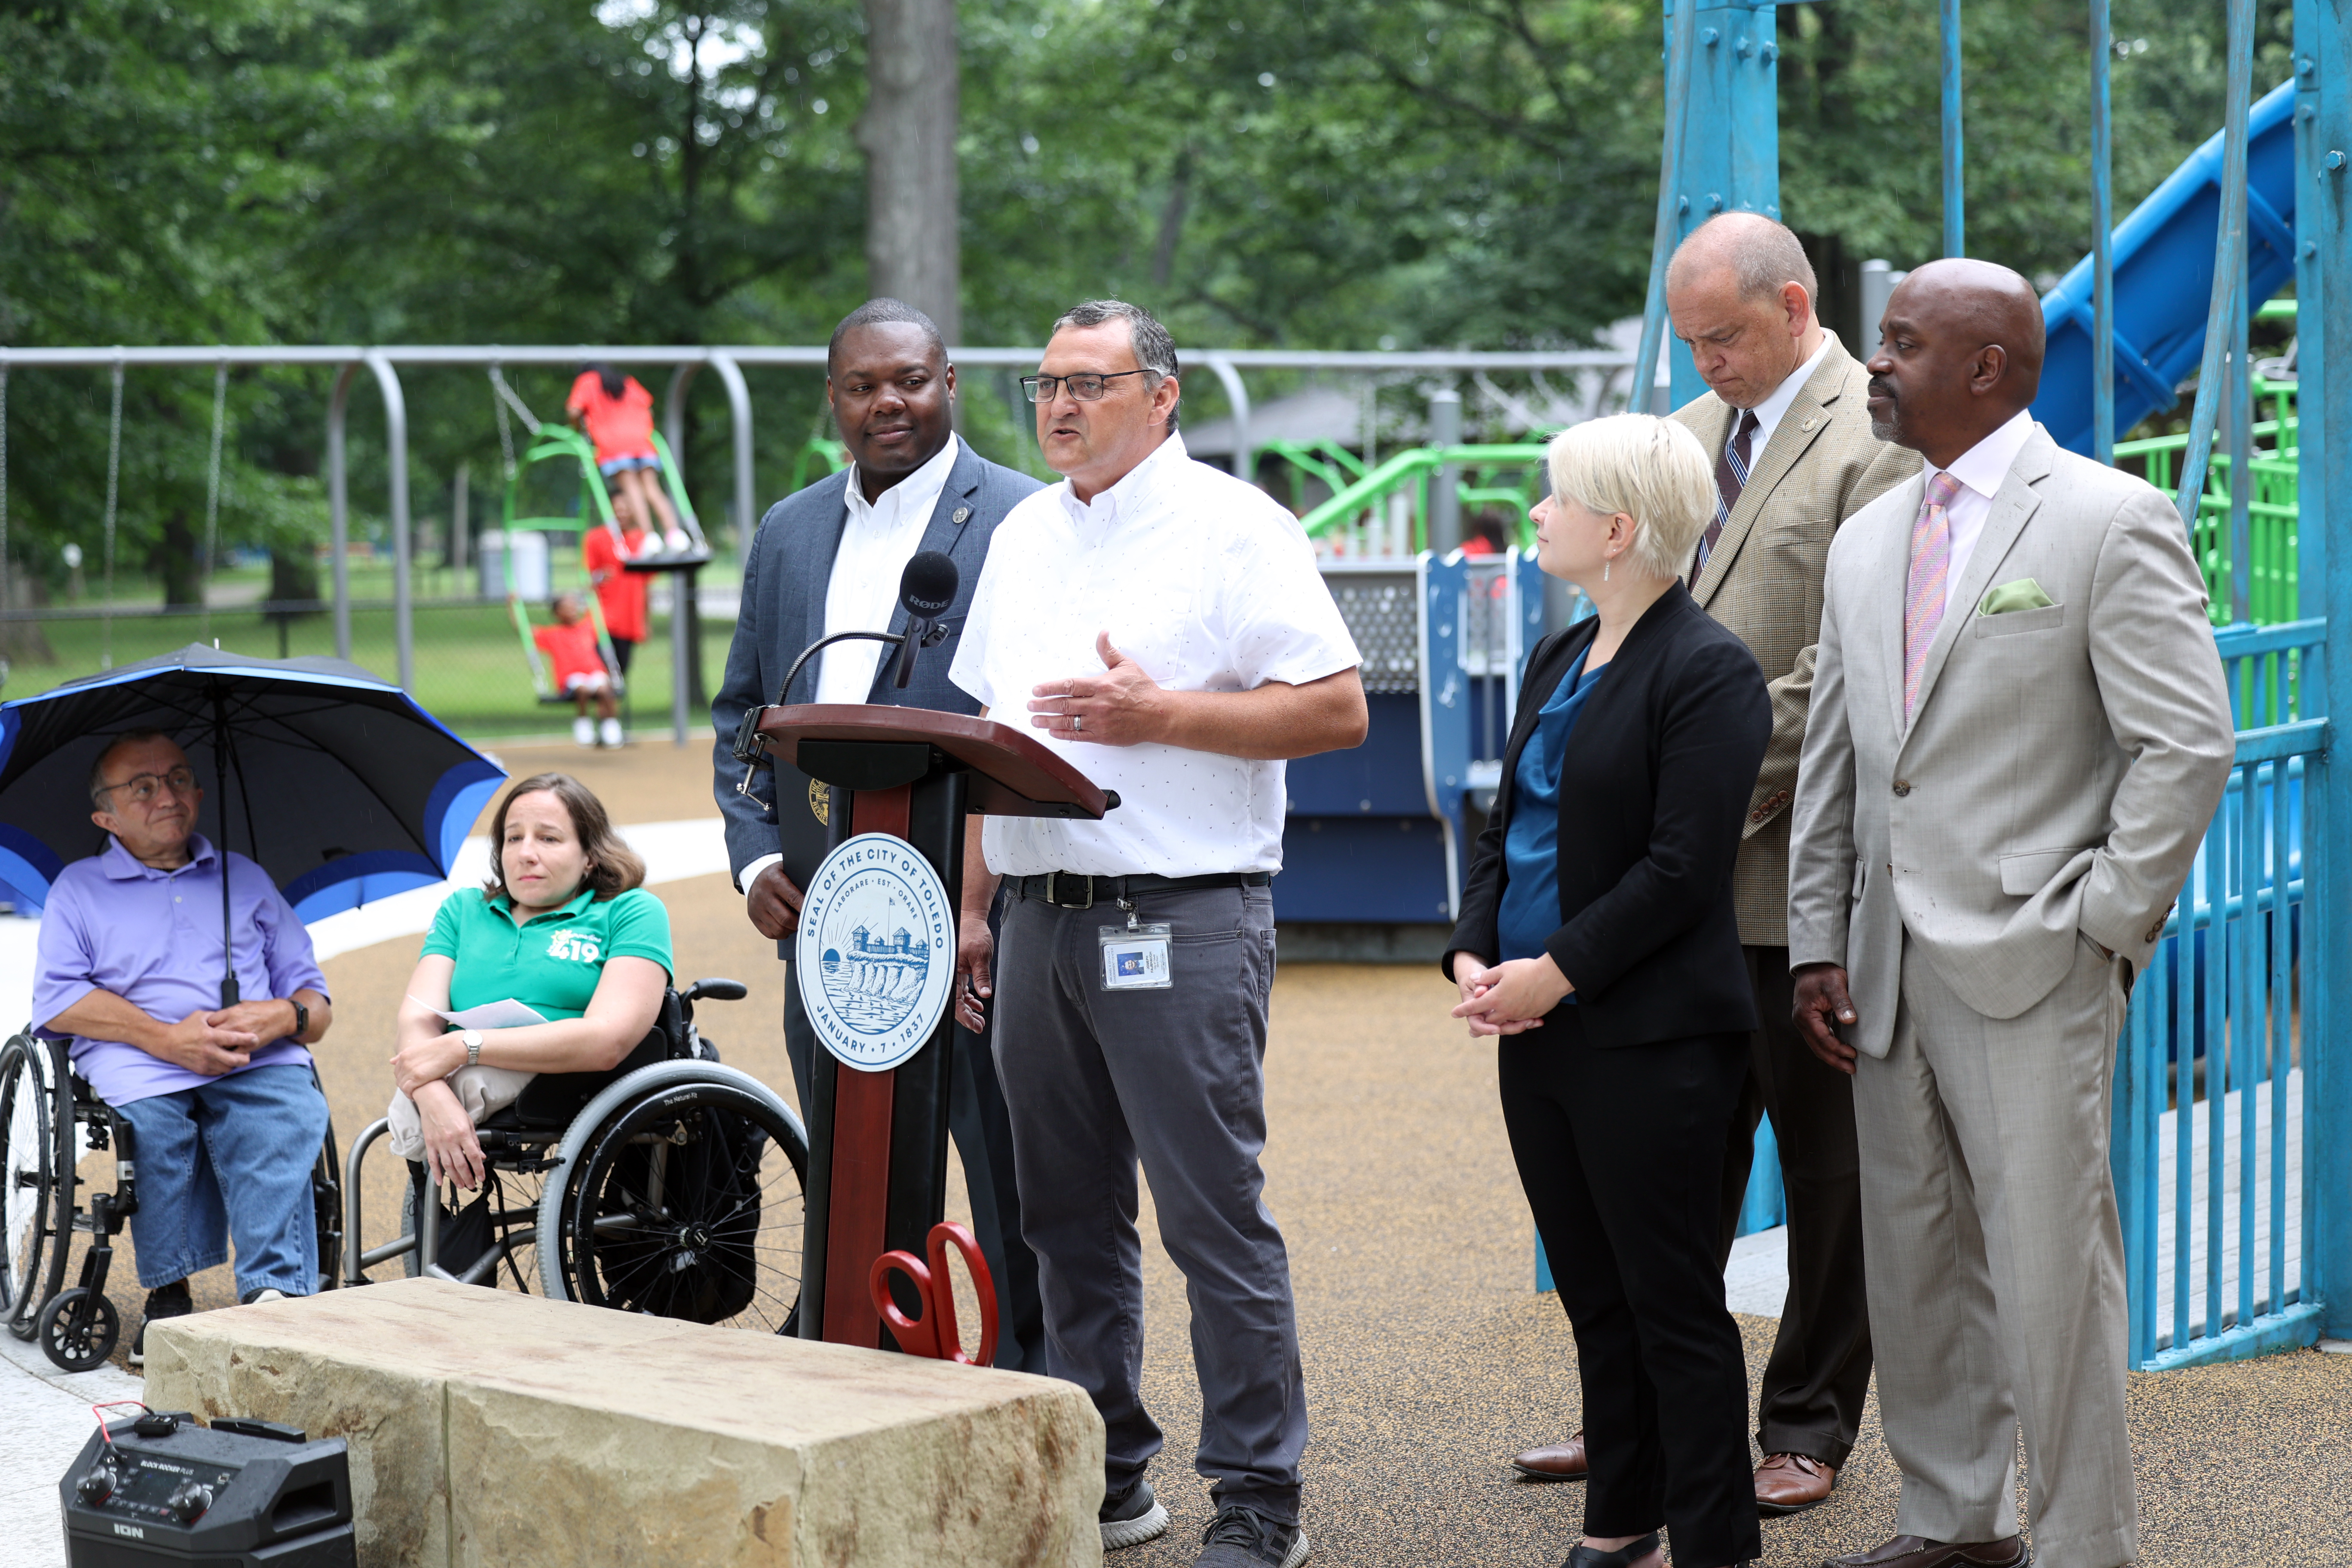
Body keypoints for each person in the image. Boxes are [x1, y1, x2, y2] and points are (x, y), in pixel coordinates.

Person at [1788, 259, 2234, 1568]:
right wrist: (1820, 936)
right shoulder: (1871, 532)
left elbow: (2186, 746)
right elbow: (1843, 760)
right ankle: (1954, 1520)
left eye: (1904, 342)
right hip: (1880, 967)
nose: (1875, 362)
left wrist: (2104, 921)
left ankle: (2084, 1539)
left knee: (2051, 1274)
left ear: (1988, 366)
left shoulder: (2108, 518)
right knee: (1915, 1267)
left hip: (2039, 956)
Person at [1509, 213, 1917, 1512]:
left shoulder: (1876, 436)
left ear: (1795, 305)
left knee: (1827, 1167)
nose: (1709, 362)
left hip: (1802, 872)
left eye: (1725, 337)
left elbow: (1854, 667)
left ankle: (1807, 1420)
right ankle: (1638, 1413)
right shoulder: (1685, 440)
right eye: (1691, 341)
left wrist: (1693, 784)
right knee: (1655, 1167)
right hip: (1670, 887)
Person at [951, 299, 1368, 1568]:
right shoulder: (1023, 533)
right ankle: (1111, 1471)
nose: (1060, 406)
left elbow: (1338, 709)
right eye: (1045, 385)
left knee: (1210, 1219)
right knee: (1061, 1222)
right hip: (1036, 919)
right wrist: (974, 905)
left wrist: (1161, 717)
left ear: (1164, 395)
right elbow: (985, 735)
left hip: (1179, 914)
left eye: (1091, 382)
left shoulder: (1238, 528)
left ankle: (1258, 1497)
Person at [1449, 414, 1770, 1568]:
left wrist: (1556, 973)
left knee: (1673, 1305)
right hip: (1538, 1032)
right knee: (1596, 1292)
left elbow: (1682, 870)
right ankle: (1622, 1522)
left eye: (1556, 498)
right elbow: (1505, 830)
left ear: (1619, 528)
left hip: (1653, 1038)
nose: (1536, 513)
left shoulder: (1711, 671)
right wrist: (1473, 954)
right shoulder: (1559, 656)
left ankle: (1717, 1545)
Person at [709, 298, 1050, 1374]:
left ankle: (1032, 1402)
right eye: (862, 386)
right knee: (854, 1172)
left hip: (973, 921)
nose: (886, 402)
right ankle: (854, 1386)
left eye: (908, 379)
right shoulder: (788, 531)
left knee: (1008, 1185)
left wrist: (978, 898)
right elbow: (744, 714)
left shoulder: (1025, 521)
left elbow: (1034, 721)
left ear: (949, 382)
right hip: (830, 919)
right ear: (833, 399)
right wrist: (757, 856)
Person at [31, 730, 335, 1364]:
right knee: (159, 1132)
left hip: (252, 1051)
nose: (165, 795)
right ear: (105, 818)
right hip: (138, 1055)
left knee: (284, 1115)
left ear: (200, 792)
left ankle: (273, 1290)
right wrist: (169, 1040)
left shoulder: (243, 877)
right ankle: (169, 1291)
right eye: (142, 787)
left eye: (176, 778)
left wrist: (282, 1014)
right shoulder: (78, 890)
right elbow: (58, 1002)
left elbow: (316, 1003)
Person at [388, 773, 671, 1192]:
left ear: (590, 855)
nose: (526, 854)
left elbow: (608, 1039)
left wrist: (462, 1046)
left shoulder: (632, 911)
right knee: (432, 1088)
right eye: (513, 838)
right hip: (456, 1076)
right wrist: (430, 1093)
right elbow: (417, 1018)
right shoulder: (463, 910)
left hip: (566, 1078)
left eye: (550, 839)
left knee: (452, 1087)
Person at [567, 363, 687, 551]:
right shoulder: (627, 382)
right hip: (642, 440)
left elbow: (574, 411)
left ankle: (650, 537)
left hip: (613, 443)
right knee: (652, 488)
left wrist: (579, 427)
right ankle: (675, 535)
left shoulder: (587, 381)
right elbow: (649, 409)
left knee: (632, 489)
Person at [583, 480, 653, 686]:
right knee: (602, 676)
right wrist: (599, 577)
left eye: (626, 508)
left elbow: (646, 585)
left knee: (619, 679)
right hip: (603, 622)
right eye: (617, 508)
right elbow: (587, 578)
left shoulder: (641, 540)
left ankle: (611, 718)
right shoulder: (595, 538)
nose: (622, 513)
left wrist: (646, 621)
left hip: (629, 622)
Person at [535, 592, 620, 748]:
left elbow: (600, 611)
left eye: (574, 607)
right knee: (582, 689)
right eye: (566, 608)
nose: (572, 611)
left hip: (594, 672)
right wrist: (513, 606)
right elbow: (525, 631)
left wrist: (593, 591)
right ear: (556, 614)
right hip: (571, 677)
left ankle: (611, 726)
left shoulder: (588, 626)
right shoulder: (553, 634)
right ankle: (583, 724)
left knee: (604, 688)